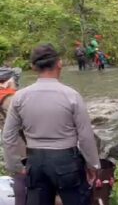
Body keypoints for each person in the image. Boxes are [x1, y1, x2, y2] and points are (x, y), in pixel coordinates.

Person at [2, 44, 100, 205]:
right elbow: (86, 136)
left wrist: (15, 166)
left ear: (33, 67)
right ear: (59, 63)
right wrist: (92, 165)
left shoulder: (19, 97)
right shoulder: (72, 95)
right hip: (67, 162)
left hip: (35, 161)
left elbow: (8, 136)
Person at [0, 69, 26, 205]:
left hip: (10, 144)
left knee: (19, 177)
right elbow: (22, 124)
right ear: (8, 82)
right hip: (20, 145)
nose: (17, 83)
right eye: (15, 80)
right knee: (22, 178)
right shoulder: (9, 99)